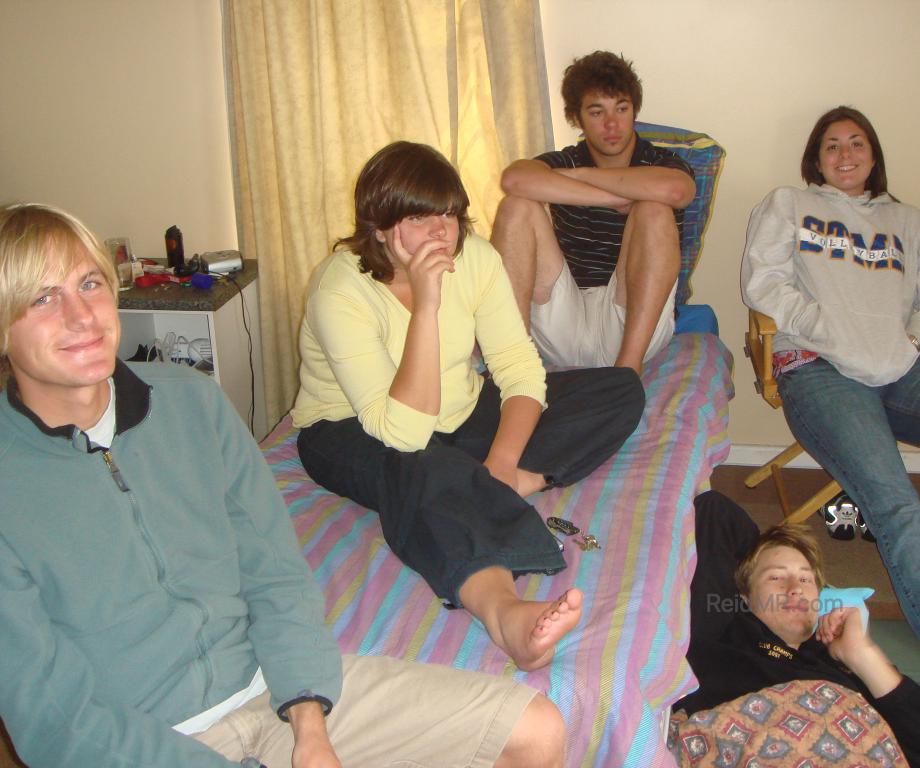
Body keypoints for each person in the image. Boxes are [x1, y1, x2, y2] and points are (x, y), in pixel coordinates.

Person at [0, 202, 567, 768]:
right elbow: (55, 722)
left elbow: (274, 570)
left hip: (272, 692)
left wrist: (309, 722)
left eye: (90, 283)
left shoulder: (188, 401)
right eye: (42, 297)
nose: (81, 316)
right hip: (143, 743)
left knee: (534, 731)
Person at [291, 141, 645, 672]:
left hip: (458, 409)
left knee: (619, 389)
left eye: (450, 215)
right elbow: (405, 432)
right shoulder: (339, 291)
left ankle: (510, 481)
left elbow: (518, 366)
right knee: (420, 467)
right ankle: (507, 616)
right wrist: (427, 304)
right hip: (353, 429)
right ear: (381, 226)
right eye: (420, 217)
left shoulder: (474, 257)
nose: (442, 233)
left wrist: (502, 467)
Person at [740, 105, 920, 750]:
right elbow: (765, 283)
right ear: (815, 157)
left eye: (856, 142)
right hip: (818, 367)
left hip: (905, 365)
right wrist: (835, 333)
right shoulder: (786, 204)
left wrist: (914, 335)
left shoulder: (907, 221)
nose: (845, 153)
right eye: (831, 145)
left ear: (873, 154)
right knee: (895, 503)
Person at [678, 492, 920, 768]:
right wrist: (761, 558)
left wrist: (863, 657)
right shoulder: (720, 638)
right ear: (741, 598)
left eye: (806, 580)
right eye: (776, 579)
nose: (795, 589)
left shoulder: (846, 671)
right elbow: (716, 511)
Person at [490, 50, 696, 373]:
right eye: (597, 112)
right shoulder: (568, 158)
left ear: (634, 112)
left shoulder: (660, 161)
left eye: (622, 109)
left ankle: (627, 372)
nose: (612, 124)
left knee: (654, 209)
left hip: (631, 319)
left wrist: (584, 176)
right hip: (564, 319)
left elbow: (677, 191)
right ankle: (511, 365)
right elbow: (514, 179)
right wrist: (610, 198)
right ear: (577, 118)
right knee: (516, 205)